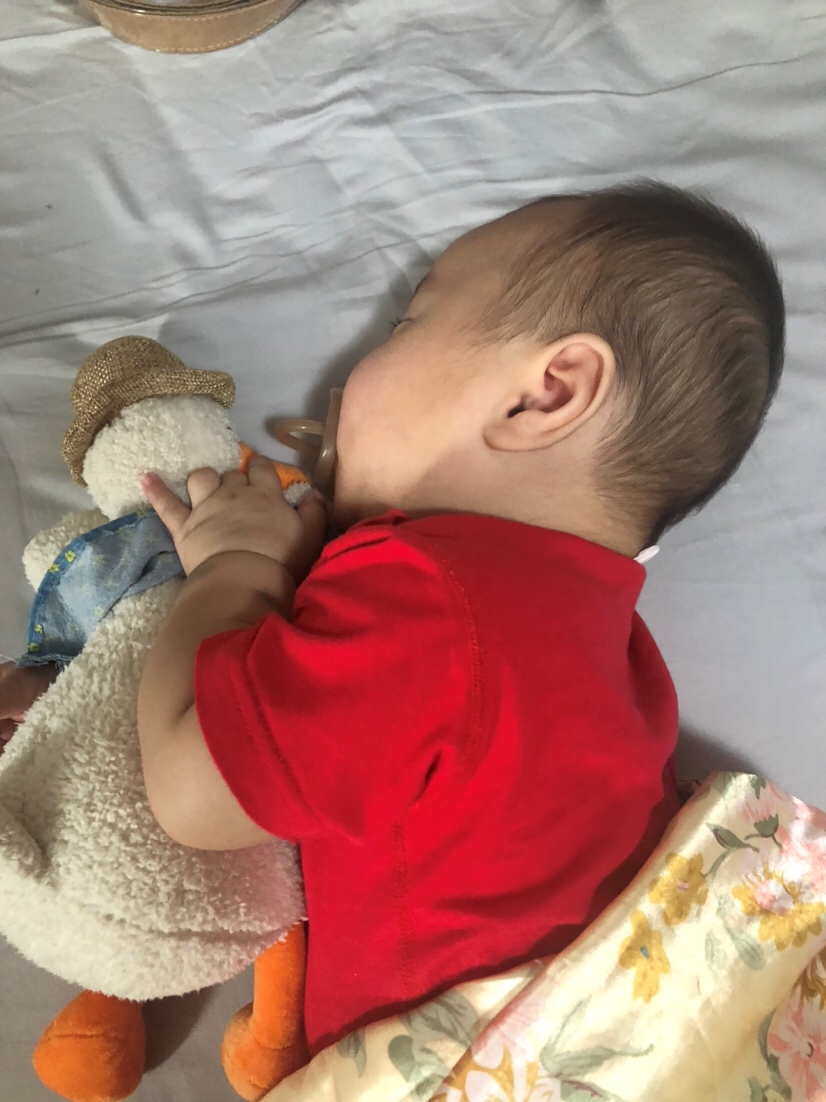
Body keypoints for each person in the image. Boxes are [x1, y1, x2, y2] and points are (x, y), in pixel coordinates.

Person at [0, 182, 785, 1057]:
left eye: (407, 324)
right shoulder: (608, 643)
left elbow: (197, 792)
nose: (345, 381)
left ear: (546, 394)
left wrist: (232, 564)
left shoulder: (434, 597)